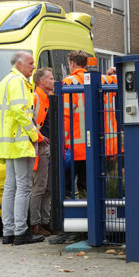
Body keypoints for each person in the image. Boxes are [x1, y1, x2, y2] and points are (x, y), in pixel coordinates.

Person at [0, 51, 45, 246]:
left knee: (11, 186)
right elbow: (20, 112)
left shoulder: (5, 81)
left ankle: (9, 231)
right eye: (30, 64)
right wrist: (34, 134)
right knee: (23, 186)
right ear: (20, 64)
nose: (33, 67)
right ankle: (21, 231)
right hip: (20, 142)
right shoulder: (18, 82)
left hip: (8, 142)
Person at [30, 67, 55, 236]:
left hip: (47, 145)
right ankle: (35, 224)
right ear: (42, 81)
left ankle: (45, 222)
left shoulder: (47, 97)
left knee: (47, 187)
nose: (54, 81)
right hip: (40, 147)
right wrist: (39, 136)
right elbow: (28, 120)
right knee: (40, 187)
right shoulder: (36, 97)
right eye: (51, 78)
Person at [62, 50, 89, 199]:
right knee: (86, 185)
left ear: (72, 64)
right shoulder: (97, 79)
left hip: (72, 145)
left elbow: (65, 115)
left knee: (67, 186)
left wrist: (62, 142)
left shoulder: (68, 82)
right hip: (91, 145)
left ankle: (70, 216)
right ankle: (88, 213)